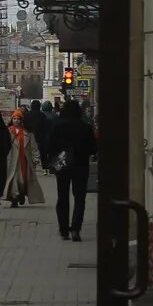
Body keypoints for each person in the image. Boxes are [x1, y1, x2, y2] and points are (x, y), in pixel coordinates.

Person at [49, 99, 97, 241]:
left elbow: (50, 145)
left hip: (62, 165)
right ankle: (76, 229)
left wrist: (55, 159)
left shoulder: (57, 126)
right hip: (80, 165)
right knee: (80, 198)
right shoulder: (85, 127)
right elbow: (93, 148)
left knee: (62, 197)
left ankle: (64, 229)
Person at [5, 108, 45, 207]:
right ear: (12, 119)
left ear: (22, 120)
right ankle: (14, 198)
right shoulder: (8, 131)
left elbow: (34, 147)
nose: (16, 120)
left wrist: (36, 159)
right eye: (14, 118)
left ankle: (21, 194)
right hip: (12, 161)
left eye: (18, 119)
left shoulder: (28, 132)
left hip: (25, 161)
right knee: (14, 180)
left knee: (23, 181)